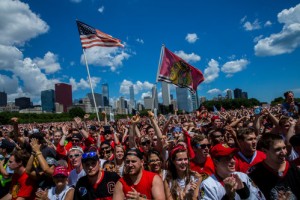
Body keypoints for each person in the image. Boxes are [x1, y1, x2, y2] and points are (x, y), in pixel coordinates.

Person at [199, 144, 265, 200]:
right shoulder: (208, 185)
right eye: (227, 158)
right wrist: (228, 197)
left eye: (233, 157)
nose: (233, 161)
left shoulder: (243, 177)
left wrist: (245, 193)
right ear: (216, 162)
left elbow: (261, 198)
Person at [249, 133, 300, 199]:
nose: (284, 152)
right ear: (264, 151)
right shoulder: (255, 173)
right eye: (278, 149)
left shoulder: (294, 169)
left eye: (284, 148)